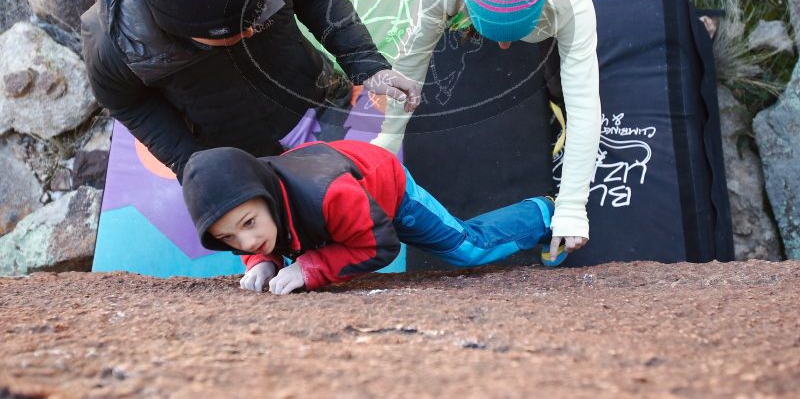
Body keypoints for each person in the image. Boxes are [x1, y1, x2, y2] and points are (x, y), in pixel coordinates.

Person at [81, 0, 419, 181]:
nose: (250, 32)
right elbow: (128, 104)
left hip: (318, 97)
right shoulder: (114, 43)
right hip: (233, 149)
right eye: (232, 34)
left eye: (256, 17)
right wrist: (193, 166)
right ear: (177, 31)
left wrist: (367, 65)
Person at [371, 0, 601, 260]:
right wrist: (388, 137)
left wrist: (573, 207)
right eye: (498, 36)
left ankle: (551, 93)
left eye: (520, 35)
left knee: (564, 76)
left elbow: (586, 103)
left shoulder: (571, 1)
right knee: (445, 41)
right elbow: (410, 64)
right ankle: (488, 25)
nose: (507, 48)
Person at [181, 140, 561, 294]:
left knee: (467, 249)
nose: (245, 241)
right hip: (339, 204)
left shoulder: (331, 196)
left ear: (264, 196)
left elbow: (380, 246)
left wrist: (311, 269)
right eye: (229, 239)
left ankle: (545, 213)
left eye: (248, 225)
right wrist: (261, 260)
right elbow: (253, 238)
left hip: (386, 189)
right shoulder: (254, 206)